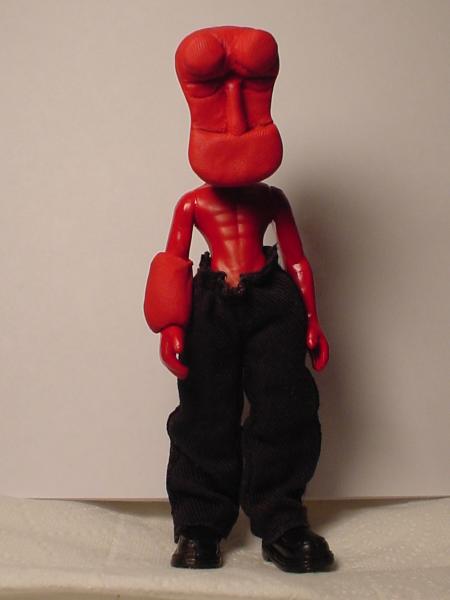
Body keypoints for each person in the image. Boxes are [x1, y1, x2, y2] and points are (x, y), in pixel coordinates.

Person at [144, 26, 334, 573]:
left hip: (272, 299)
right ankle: (200, 524)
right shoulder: (193, 203)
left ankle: (282, 520)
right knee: (204, 411)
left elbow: (297, 259)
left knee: (285, 406)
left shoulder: (272, 199)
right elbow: (174, 260)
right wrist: (171, 323)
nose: (234, 118)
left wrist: (312, 317)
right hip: (210, 305)